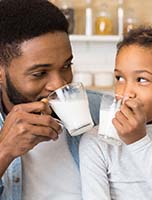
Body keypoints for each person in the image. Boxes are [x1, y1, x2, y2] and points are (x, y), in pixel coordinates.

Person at [79, 27, 152, 199]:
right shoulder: (96, 141)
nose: (127, 92)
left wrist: (139, 142)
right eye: (119, 78)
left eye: (142, 80)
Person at [0, 0, 101, 199]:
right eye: (39, 73)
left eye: (66, 66)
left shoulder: (101, 112)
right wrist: (4, 151)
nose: (59, 84)